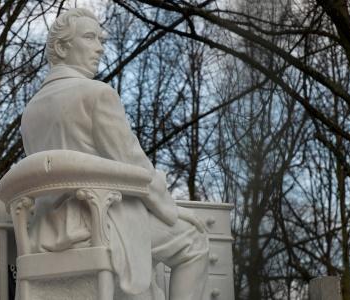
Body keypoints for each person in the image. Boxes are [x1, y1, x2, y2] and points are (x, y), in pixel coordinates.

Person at [21, 8, 209, 299]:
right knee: (194, 241)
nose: (100, 47)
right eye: (89, 37)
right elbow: (133, 167)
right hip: (97, 223)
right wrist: (170, 209)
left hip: (46, 232)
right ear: (61, 47)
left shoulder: (30, 112)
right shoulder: (97, 94)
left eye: (101, 39)